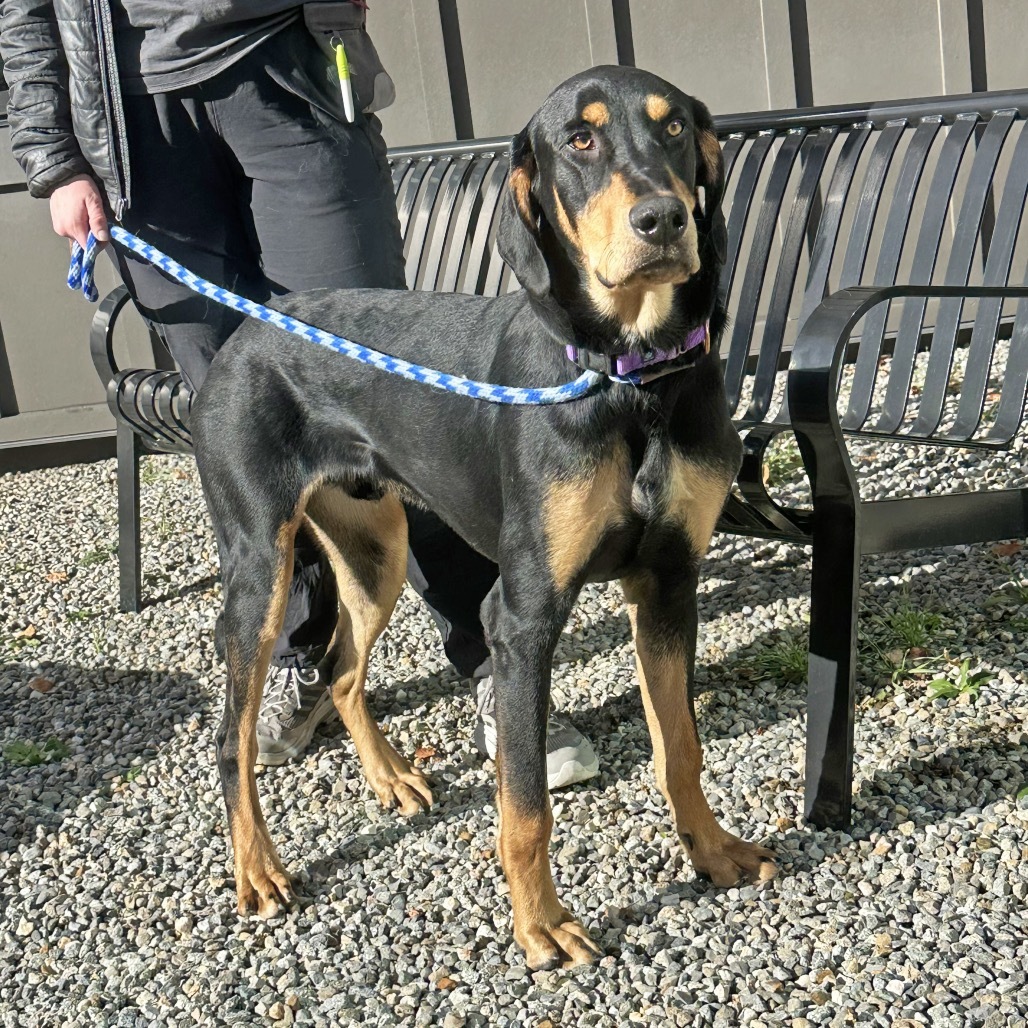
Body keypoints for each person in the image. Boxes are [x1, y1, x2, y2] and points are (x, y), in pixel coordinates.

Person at [0, 0, 599, 789]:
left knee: (385, 392)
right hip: (130, 119)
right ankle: (302, 657)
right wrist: (54, 159)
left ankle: (494, 662)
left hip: (285, 65)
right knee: (247, 432)